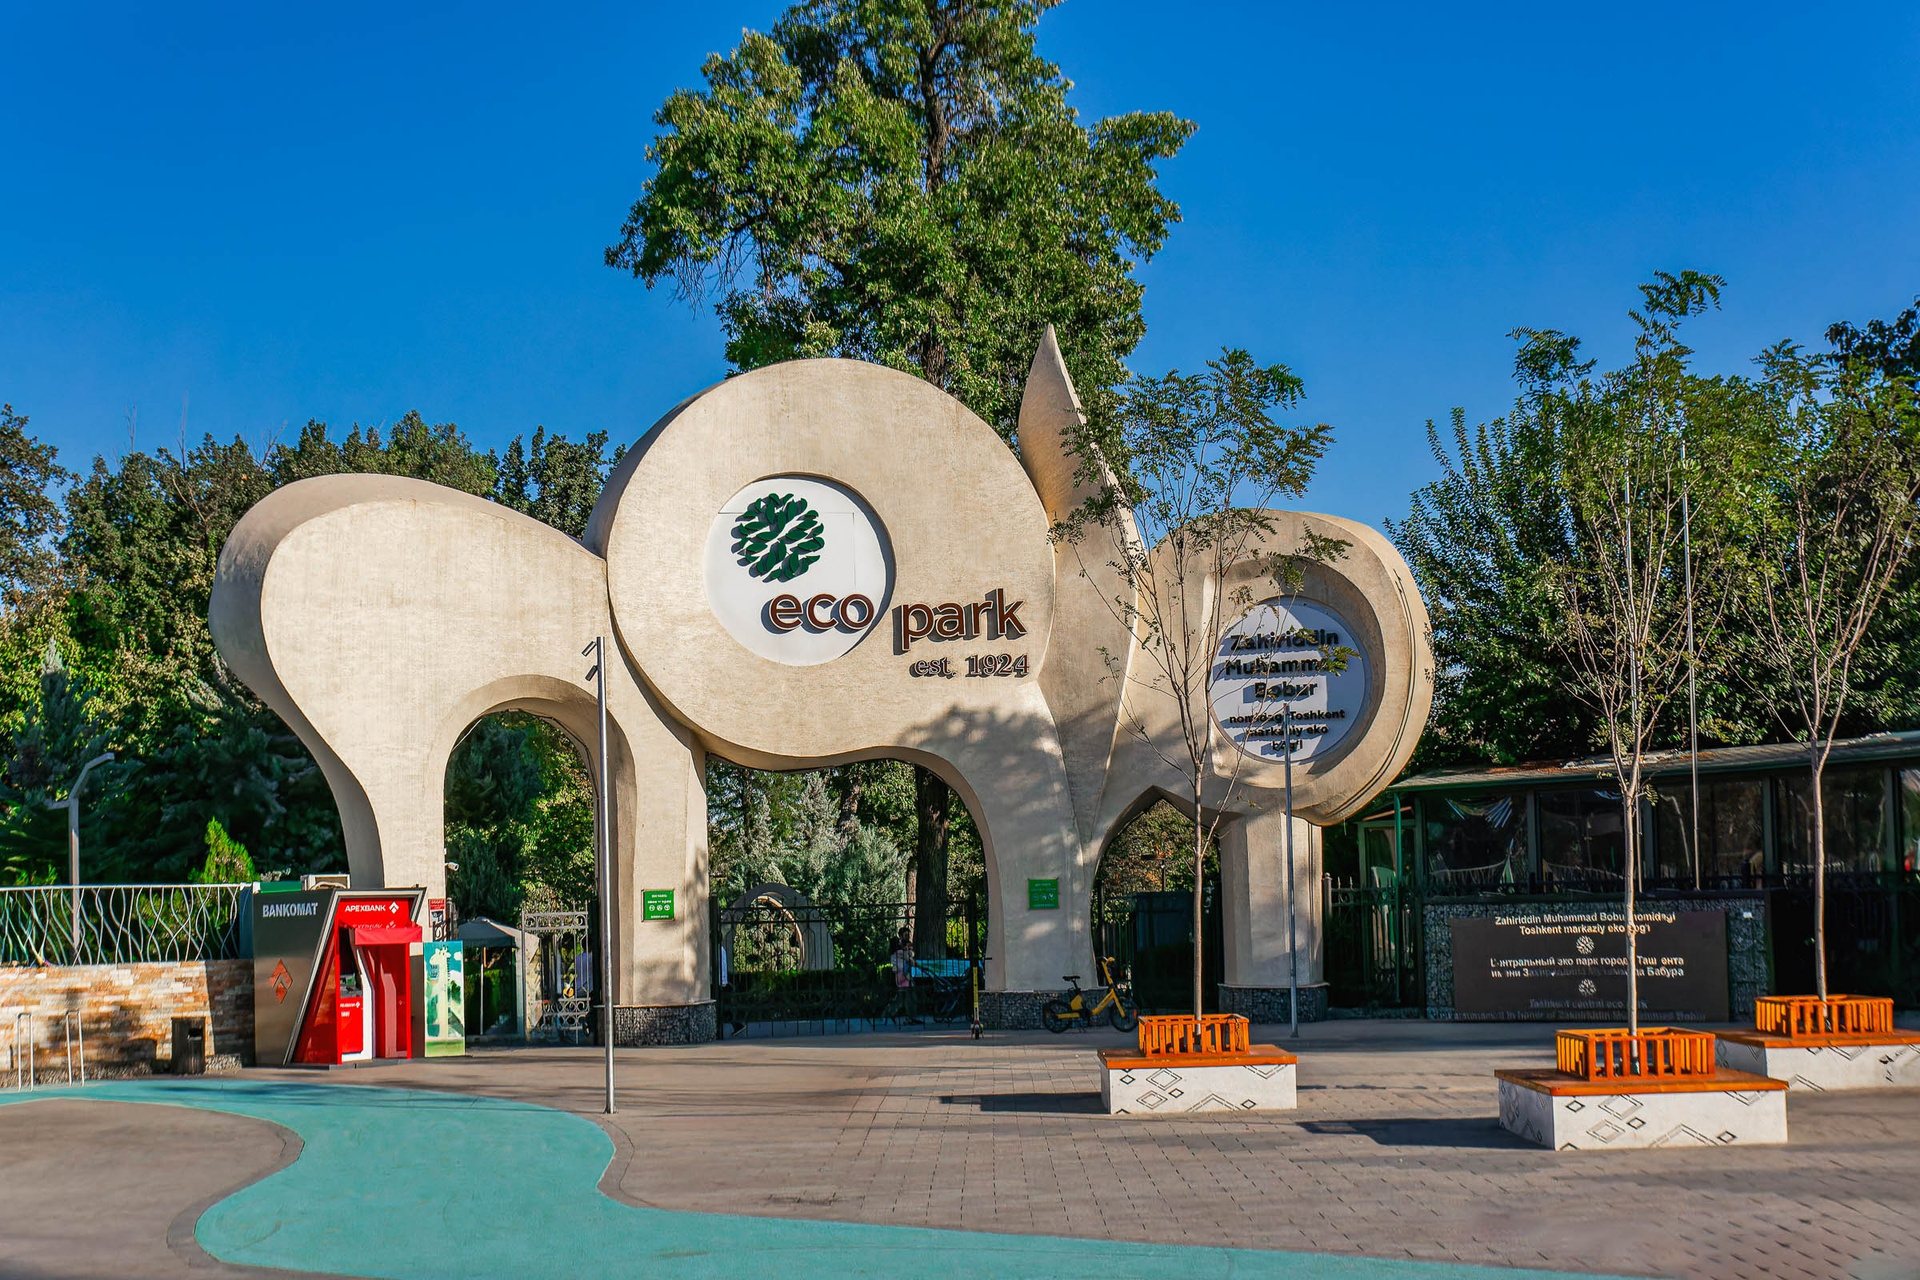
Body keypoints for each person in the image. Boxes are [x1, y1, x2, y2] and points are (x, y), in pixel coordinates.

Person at [890, 929, 921, 1025]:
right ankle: (908, 1017)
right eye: (905, 935)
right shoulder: (898, 950)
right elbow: (908, 959)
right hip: (903, 975)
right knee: (908, 997)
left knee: (904, 997)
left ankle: (894, 1013)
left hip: (904, 975)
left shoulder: (904, 949)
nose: (907, 937)